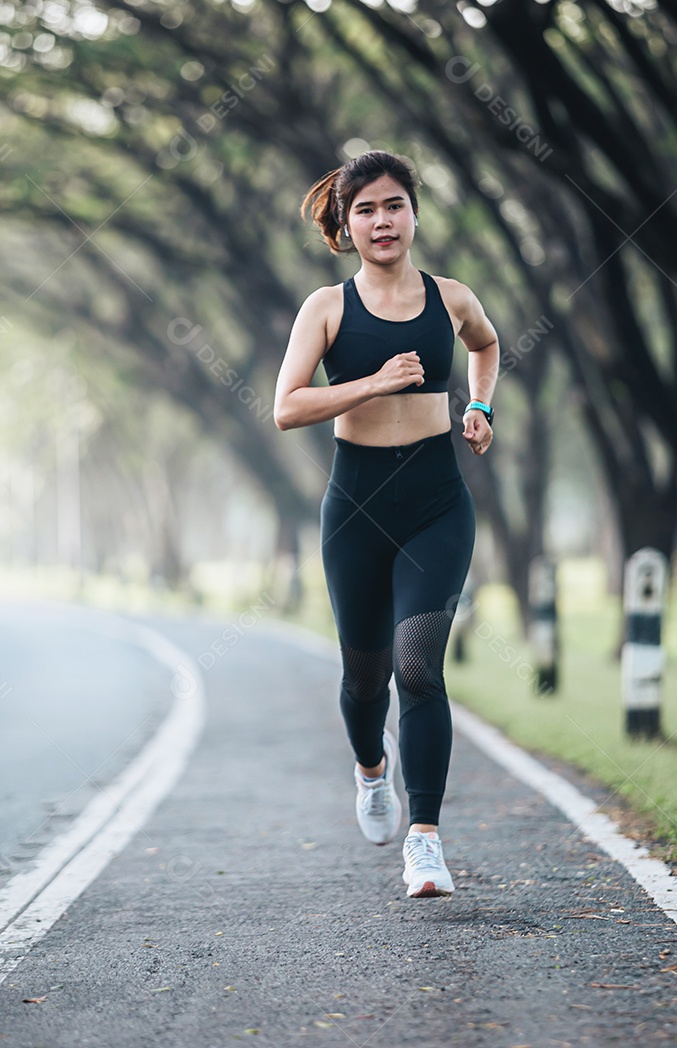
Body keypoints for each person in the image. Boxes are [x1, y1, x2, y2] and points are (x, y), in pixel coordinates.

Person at [273, 149, 499, 897]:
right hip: (356, 507)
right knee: (365, 677)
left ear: (413, 213)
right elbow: (287, 407)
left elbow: (487, 345)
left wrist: (479, 405)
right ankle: (372, 771)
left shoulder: (452, 297)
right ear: (345, 223)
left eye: (394, 204)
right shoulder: (327, 308)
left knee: (416, 666)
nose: (382, 220)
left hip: (437, 501)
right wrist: (372, 381)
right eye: (365, 209)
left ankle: (425, 840)